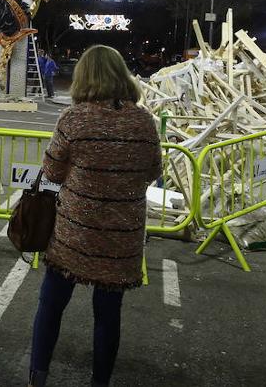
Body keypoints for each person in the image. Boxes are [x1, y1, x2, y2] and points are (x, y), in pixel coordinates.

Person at [28, 45, 161, 387]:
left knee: (52, 305)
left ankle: (38, 376)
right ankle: (100, 382)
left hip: (75, 233)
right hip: (121, 237)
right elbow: (152, 171)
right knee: (108, 314)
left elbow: (53, 173)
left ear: (83, 76)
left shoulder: (75, 118)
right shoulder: (143, 120)